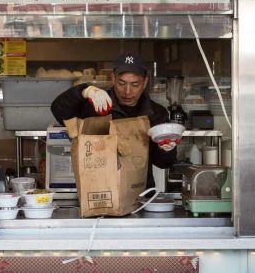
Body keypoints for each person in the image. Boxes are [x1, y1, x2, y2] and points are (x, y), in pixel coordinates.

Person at [51, 52, 177, 188]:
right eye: (121, 83)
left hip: (140, 194)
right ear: (113, 78)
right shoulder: (98, 104)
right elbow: (59, 109)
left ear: (145, 82)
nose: (127, 91)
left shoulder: (156, 113)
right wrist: (85, 91)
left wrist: (167, 149)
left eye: (135, 85)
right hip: (100, 192)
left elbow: (163, 163)